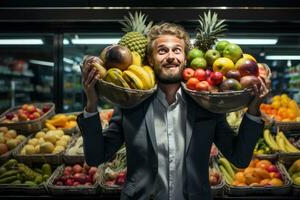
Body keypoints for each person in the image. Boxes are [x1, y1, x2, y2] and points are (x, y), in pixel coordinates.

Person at [77, 23, 270, 200]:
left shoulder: (206, 106)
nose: (170, 56)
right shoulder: (131, 105)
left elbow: (240, 158)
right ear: (151, 60)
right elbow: (95, 157)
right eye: (162, 51)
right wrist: (91, 104)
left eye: (177, 50)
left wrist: (254, 109)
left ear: (185, 59)